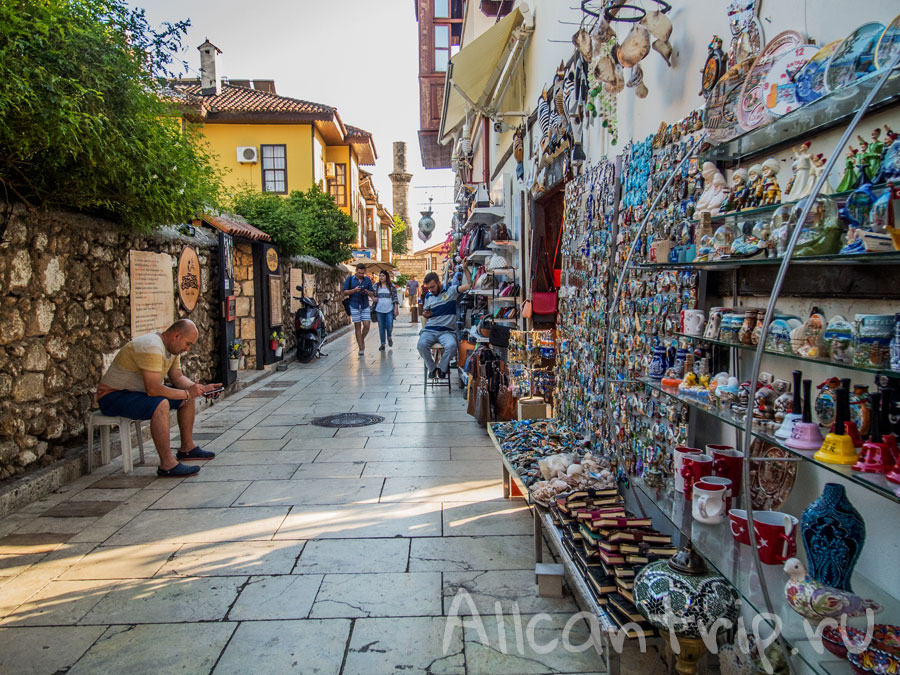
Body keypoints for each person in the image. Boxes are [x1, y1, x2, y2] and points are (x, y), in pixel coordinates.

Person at [96, 319, 221, 477]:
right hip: (112, 396)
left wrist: (200, 390)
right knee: (162, 403)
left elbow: (177, 378)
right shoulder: (152, 346)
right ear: (176, 336)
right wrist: (188, 393)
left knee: (187, 397)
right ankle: (167, 464)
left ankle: (187, 449)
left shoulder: (172, 349)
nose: (187, 349)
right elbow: (153, 389)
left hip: (135, 393)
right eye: (188, 344)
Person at [417, 264, 471, 379]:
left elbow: (469, 285)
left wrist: (465, 268)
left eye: (433, 287)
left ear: (439, 282)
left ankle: (442, 367)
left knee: (452, 346)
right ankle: (432, 368)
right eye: (429, 288)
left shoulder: (451, 291)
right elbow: (425, 312)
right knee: (421, 345)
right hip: (430, 330)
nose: (431, 290)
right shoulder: (428, 296)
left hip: (446, 331)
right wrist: (425, 314)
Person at [343, 262, 376, 356]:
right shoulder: (350, 279)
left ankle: (360, 339)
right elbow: (345, 292)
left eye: (363, 273)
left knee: (367, 325)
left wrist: (367, 291)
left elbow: (372, 293)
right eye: (359, 273)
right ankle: (361, 348)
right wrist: (354, 290)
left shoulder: (367, 280)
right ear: (356, 271)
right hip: (354, 305)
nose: (361, 275)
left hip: (365, 304)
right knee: (357, 326)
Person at [373, 270, 400, 351]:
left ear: (386, 277)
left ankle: (389, 336)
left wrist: (396, 308)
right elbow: (372, 295)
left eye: (383, 276)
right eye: (380, 275)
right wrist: (373, 298)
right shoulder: (376, 286)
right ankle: (383, 343)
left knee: (389, 325)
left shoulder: (391, 286)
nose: (381, 277)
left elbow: (395, 298)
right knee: (381, 327)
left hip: (389, 309)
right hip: (379, 309)